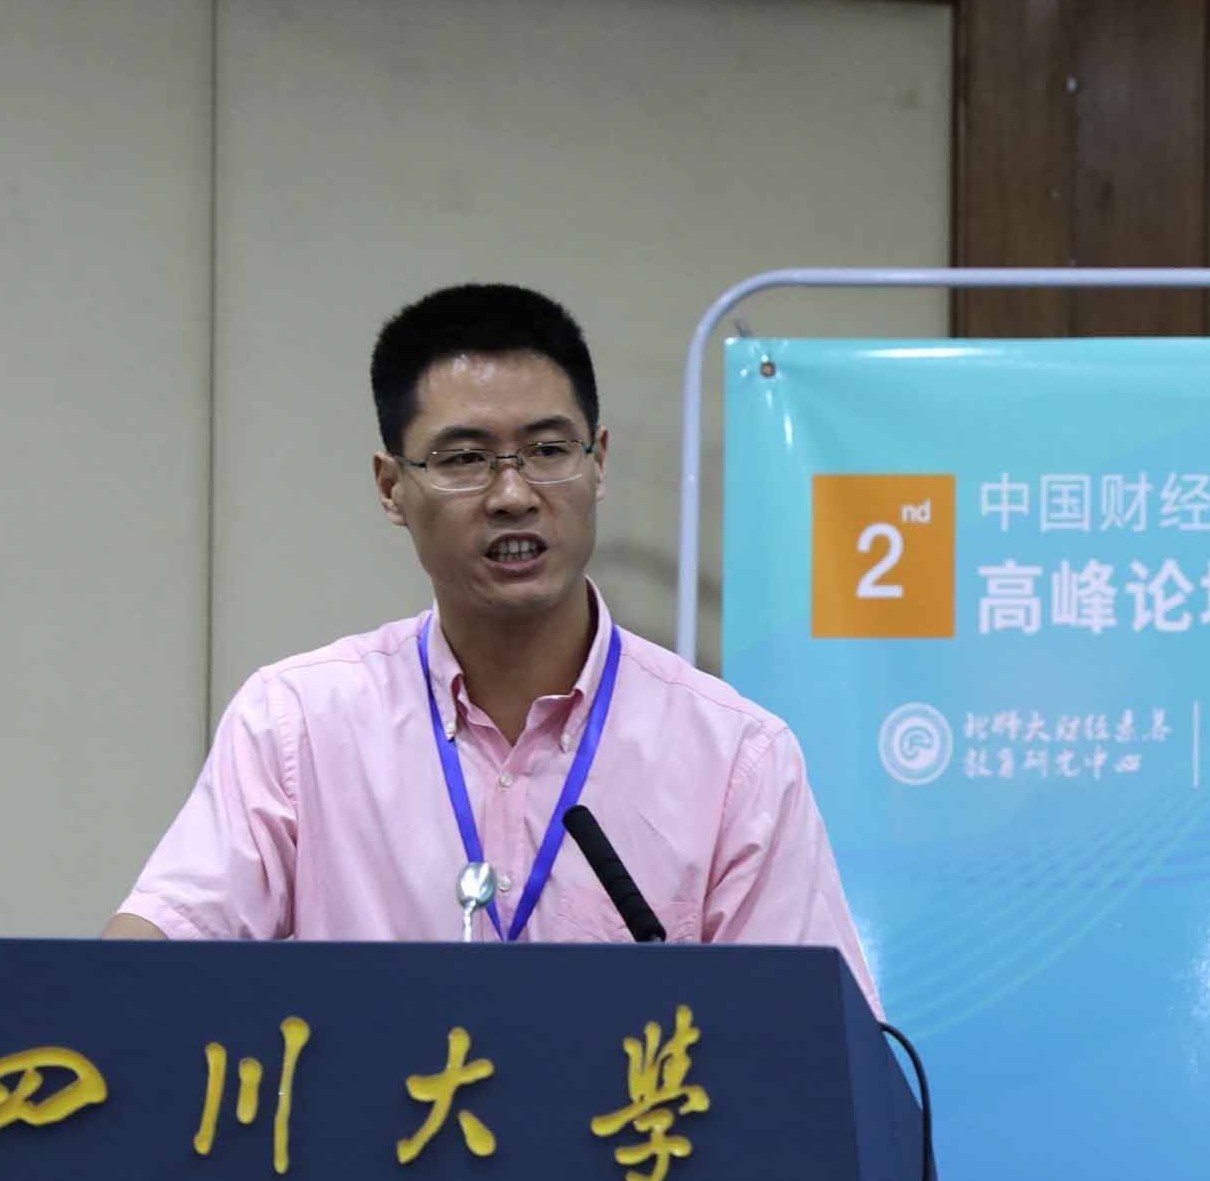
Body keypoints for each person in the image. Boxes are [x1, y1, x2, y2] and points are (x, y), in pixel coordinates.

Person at [102, 282, 879, 1013]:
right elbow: (148, 960)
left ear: (599, 462)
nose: (513, 495)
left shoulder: (734, 755)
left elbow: (815, 1046)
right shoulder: (299, 724)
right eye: (465, 459)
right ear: (391, 487)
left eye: (548, 450)